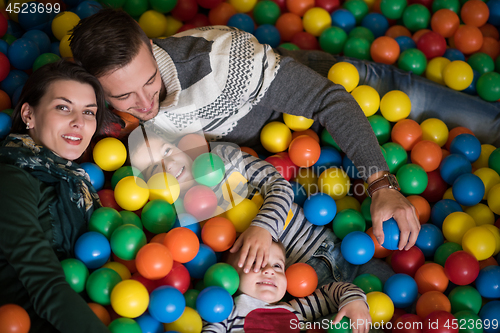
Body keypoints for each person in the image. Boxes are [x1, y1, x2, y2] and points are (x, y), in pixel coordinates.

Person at [69, 9, 421, 253]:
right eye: (124, 96)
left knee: (428, 98)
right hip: (263, 159)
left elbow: (329, 100)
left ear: (150, 46)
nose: (145, 104)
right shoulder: (94, 103)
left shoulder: (223, 61)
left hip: (321, 90)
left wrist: (380, 184)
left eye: (149, 82)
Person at [129, 125, 394, 284]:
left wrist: (263, 228)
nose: (168, 165)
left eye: (166, 151)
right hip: (293, 289)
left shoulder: (222, 159)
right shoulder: (179, 218)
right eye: (154, 168)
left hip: (331, 249)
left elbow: (278, 185)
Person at [0, 60, 112, 333]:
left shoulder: (78, 185)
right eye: (63, 107)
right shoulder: (10, 177)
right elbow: (44, 284)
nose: (78, 122)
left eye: (89, 112)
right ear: (29, 115)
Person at [202, 240, 371, 333]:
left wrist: (355, 302)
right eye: (256, 263)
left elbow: (332, 292)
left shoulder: (295, 309)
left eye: (277, 266)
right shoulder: (226, 311)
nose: (269, 271)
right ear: (230, 276)